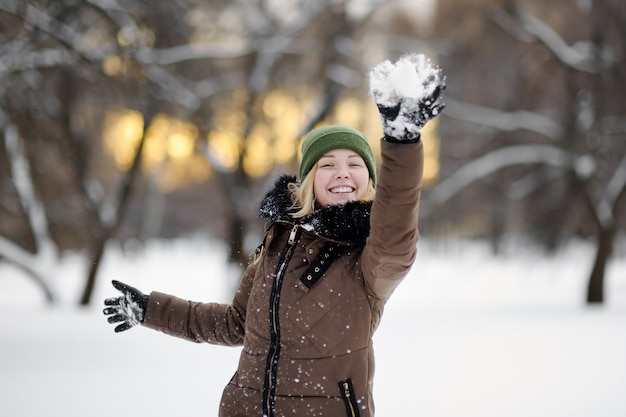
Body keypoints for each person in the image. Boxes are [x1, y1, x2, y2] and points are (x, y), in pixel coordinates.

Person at [103, 53, 445, 417]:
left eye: (355, 164)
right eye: (327, 164)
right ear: (308, 182)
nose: (342, 173)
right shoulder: (278, 242)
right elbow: (236, 323)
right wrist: (152, 310)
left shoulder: (370, 260)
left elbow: (395, 228)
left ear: (371, 184)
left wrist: (402, 144)